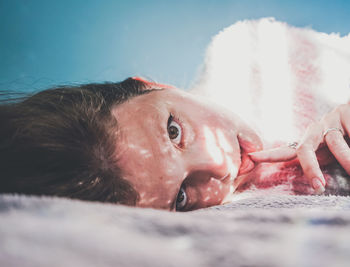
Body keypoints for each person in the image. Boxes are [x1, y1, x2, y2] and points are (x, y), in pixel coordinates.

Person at [1, 76, 350, 211]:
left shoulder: (258, 56)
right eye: (181, 196)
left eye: (173, 131)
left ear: (154, 84)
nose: (219, 166)